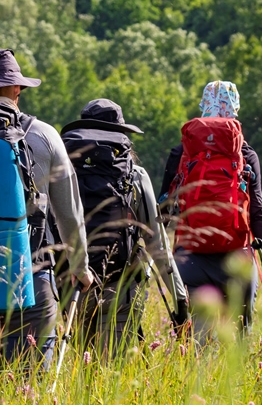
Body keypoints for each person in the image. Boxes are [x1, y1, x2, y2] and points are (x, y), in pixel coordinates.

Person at [0, 49, 96, 366]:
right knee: (29, 381)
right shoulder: (45, 135)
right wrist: (79, 266)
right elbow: (68, 212)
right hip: (32, 273)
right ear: (16, 89)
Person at [62, 99, 188, 357]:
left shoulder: (63, 170)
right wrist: (180, 301)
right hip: (121, 289)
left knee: (79, 371)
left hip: (73, 287)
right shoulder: (134, 175)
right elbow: (157, 244)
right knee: (111, 371)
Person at [160, 81, 262, 339]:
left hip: (191, 258)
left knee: (199, 345)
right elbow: (258, 210)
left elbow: (165, 207)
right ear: (236, 108)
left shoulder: (182, 151)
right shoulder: (245, 154)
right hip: (237, 258)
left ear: (203, 105)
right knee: (237, 348)